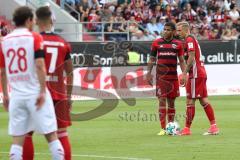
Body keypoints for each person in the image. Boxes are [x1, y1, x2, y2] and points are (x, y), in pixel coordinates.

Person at [0, 6, 64, 160]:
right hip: (35, 93)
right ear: (29, 20)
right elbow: (40, 65)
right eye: (33, 19)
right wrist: (42, 90)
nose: (34, 22)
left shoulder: (4, 41)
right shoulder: (34, 37)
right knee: (52, 137)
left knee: (17, 142)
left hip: (16, 96)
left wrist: (5, 95)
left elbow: (2, 71)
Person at [22, 6, 73, 160]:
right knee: (61, 134)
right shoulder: (63, 43)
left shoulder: (32, 40)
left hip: (37, 92)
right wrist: (69, 96)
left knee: (26, 133)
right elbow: (70, 72)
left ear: (36, 21)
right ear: (52, 20)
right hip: (58, 93)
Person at [176, 21, 219, 135]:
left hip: (195, 74)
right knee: (203, 100)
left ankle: (186, 129)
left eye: (179, 30)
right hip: (200, 73)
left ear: (186, 30)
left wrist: (184, 73)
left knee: (190, 101)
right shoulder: (190, 40)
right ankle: (213, 127)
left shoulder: (189, 39)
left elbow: (191, 56)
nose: (178, 33)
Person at [147, 22, 186, 136]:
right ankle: (163, 128)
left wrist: (184, 74)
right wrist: (148, 73)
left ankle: (170, 127)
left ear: (173, 31)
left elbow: (182, 60)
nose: (166, 31)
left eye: (168, 30)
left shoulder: (178, 44)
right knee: (161, 100)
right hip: (161, 78)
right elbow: (152, 58)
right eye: (164, 29)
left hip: (173, 77)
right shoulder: (157, 43)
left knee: (172, 103)